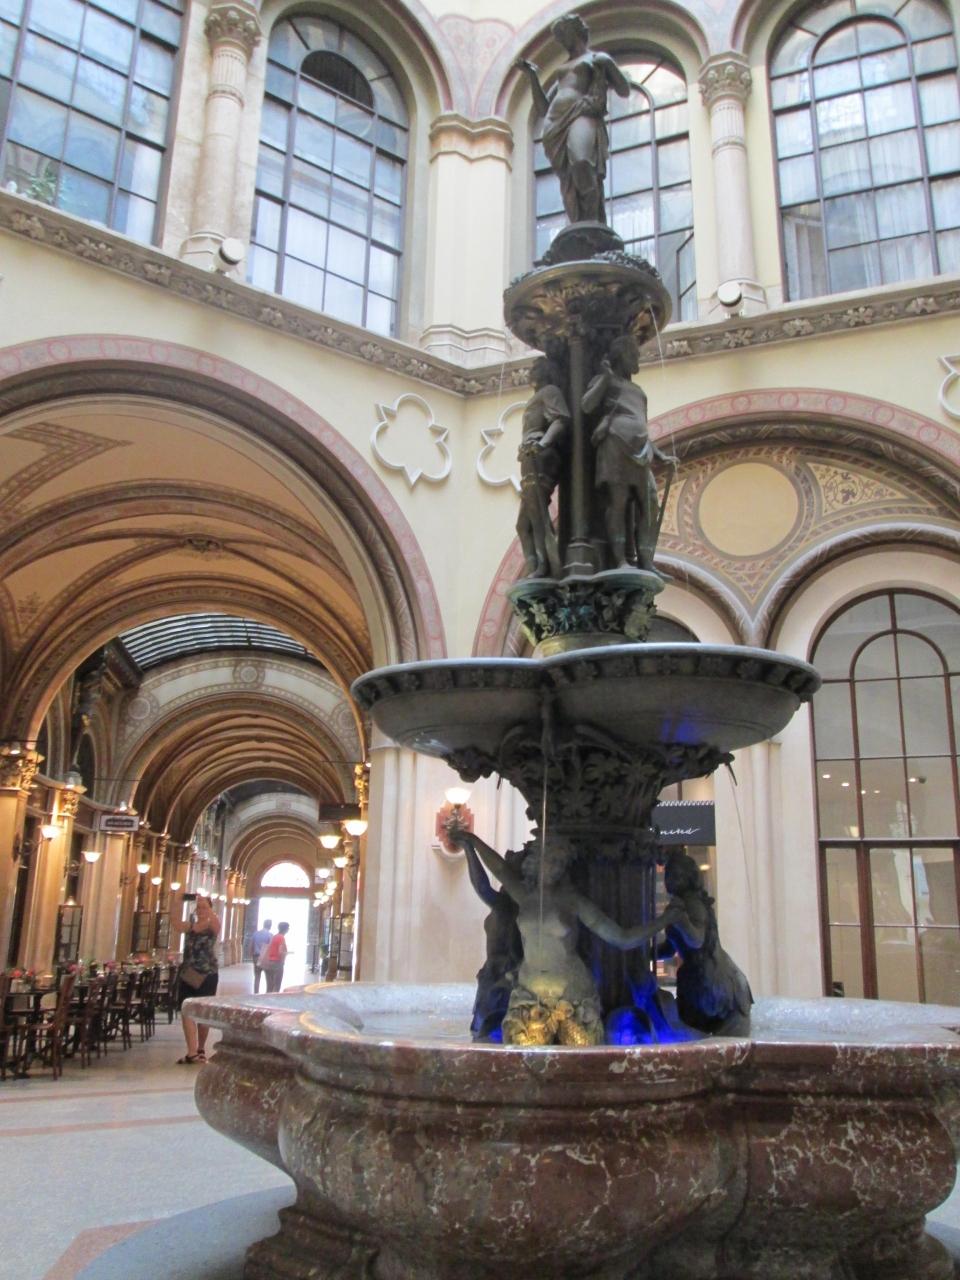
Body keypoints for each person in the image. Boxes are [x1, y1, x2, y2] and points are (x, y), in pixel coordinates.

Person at [517, 13, 630, 225]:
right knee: (568, 178)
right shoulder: (562, 70)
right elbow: (543, 108)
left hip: (582, 112)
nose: (561, 40)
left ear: (577, 32)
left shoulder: (596, 59)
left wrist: (608, 64)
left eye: (564, 34)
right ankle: (579, 223)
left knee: (581, 161)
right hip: (555, 123)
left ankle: (592, 220)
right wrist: (532, 76)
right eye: (559, 36)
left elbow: (624, 90)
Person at [582, 334, 677, 569]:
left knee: (650, 503)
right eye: (633, 354)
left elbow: (642, 425)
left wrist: (660, 454)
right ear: (620, 355)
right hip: (615, 444)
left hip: (641, 448)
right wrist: (605, 378)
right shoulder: (606, 380)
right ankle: (620, 560)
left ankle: (645, 560)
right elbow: (586, 405)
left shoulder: (638, 391)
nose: (637, 359)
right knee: (619, 502)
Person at [634, 851, 753, 1036]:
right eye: (668, 875)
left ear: (689, 878)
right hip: (696, 976)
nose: (669, 880)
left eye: (676, 875)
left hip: (713, 978)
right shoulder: (680, 905)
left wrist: (680, 920)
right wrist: (645, 954)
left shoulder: (692, 904)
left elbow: (696, 940)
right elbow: (670, 948)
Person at [462, 838, 524, 1041]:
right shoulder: (509, 904)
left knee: (485, 1034)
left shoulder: (505, 905)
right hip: (495, 974)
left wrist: (469, 848)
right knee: (486, 1032)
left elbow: (481, 886)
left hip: (503, 977)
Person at [516, 358, 569, 580]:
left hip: (540, 456)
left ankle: (545, 566)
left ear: (546, 371)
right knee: (522, 525)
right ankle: (534, 565)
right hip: (529, 455)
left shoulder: (550, 391)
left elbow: (561, 419)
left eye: (536, 369)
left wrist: (542, 444)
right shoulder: (539, 395)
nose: (532, 372)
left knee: (537, 513)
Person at [173, 894, 220, 1065]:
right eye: (198, 907)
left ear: (210, 909)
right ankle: (192, 1052)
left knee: (203, 1011)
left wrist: (206, 904)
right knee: (186, 1009)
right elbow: (175, 923)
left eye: (204, 907)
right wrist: (177, 899)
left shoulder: (213, 924)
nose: (200, 910)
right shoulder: (190, 925)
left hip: (207, 973)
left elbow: (215, 923)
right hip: (189, 972)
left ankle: (201, 1049)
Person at [260, 921, 289, 993]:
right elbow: (280, 951)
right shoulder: (281, 938)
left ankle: (267, 999)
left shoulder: (274, 936)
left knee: (269, 986)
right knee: (276, 986)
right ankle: (274, 999)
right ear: (286, 929)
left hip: (269, 962)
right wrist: (283, 959)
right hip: (277, 963)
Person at [251, 917, 272, 993]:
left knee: (257, 976)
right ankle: (268, 993)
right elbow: (270, 947)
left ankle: (256, 993)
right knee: (268, 977)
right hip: (265, 958)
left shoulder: (255, 933)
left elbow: (252, 945)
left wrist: (252, 956)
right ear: (270, 926)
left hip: (256, 956)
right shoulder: (270, 935)